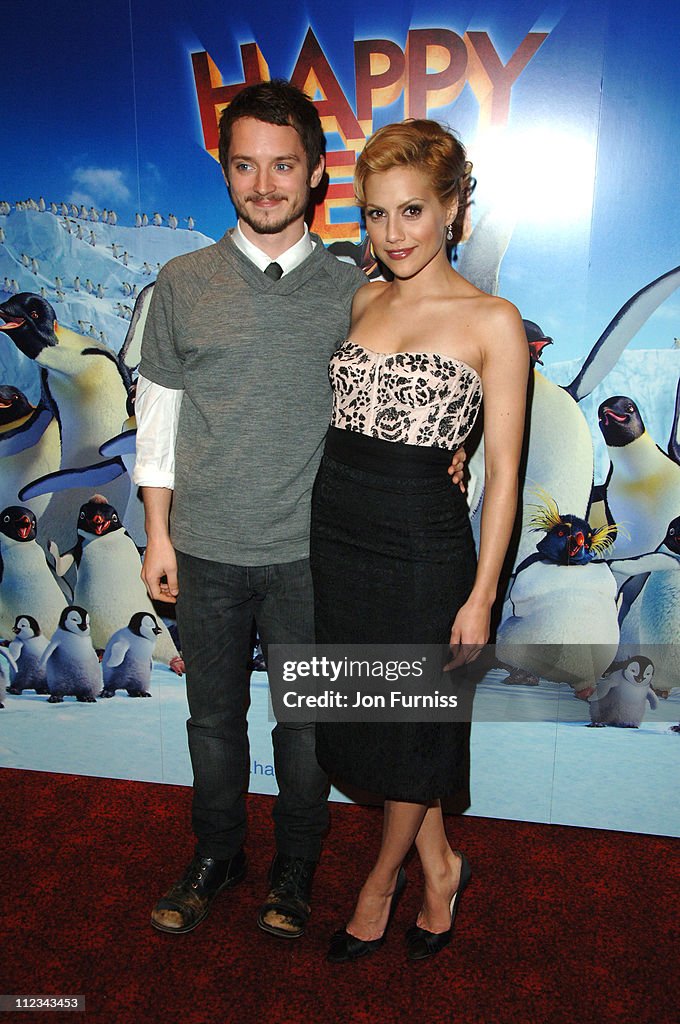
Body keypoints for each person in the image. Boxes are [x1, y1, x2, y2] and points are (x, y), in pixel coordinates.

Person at [133, 78, 468, 939]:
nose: (265, 183)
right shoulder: (181, 281)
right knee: (211, 721)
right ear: (225, 170)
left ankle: (297, 867)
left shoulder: (354, 287)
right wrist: (157, 532)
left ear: (318, 173)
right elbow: (159, 412)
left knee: (307, 725)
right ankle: (217, 854)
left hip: (314, 553)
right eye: (245, 165)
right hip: (204, 547)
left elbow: (406, 377)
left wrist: (448, 449)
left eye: (284, 165)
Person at [309, 119, 528, 963]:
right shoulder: (364, 297)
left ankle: (381, 883)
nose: (392, 234)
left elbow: (504, 473)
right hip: (339, 530)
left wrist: (481, 593)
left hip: (420, 547)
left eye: (411, 212)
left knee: (408, 720)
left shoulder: (492, 321)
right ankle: (442, 865)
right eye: (375, 215)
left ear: (452, 211)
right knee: (373, 716)